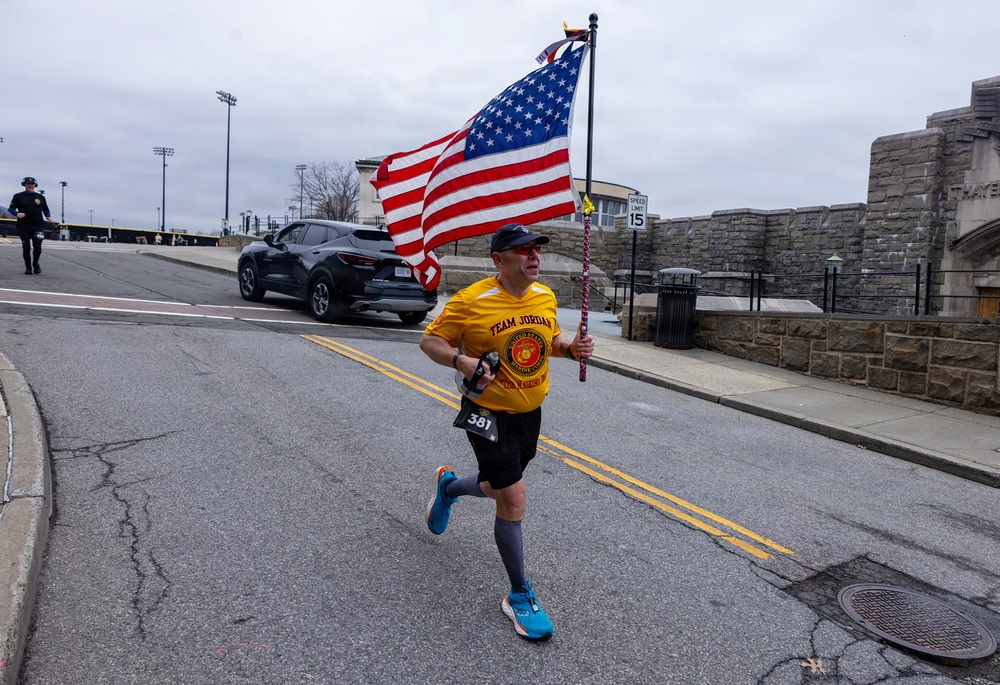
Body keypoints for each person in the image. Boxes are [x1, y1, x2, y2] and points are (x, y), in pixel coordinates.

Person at [420, 222, 595, 640]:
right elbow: (431, 341)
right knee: (513, 496)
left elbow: (547, 341)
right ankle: (519, 595)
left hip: (530, 412)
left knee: (499, 487)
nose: (534, 256)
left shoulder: (546, 296)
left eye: (537, 249)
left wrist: (571, 348)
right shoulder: (472, 300)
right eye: (523, 250)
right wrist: (460, 361)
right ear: (499, 259)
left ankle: (448, 488)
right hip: (487, 412)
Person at [8, 176, 52, 275]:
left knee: (37, 247)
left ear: (35, 185)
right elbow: (11, 208)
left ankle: (35, 264)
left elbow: (45, 209)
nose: (30, 186)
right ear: (25, 185)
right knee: (26, 247)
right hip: (23, 226)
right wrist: (17, 214)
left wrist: (48, 216)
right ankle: (28, 267)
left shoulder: (40, 197)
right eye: (28, 184)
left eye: (32, 184)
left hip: (38, 226)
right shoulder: (18, 196)